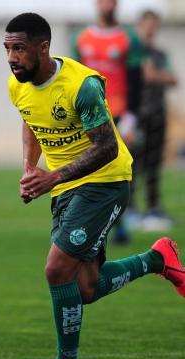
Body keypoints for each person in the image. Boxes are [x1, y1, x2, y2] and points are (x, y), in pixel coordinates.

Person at [4, 12, 185, 359]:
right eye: (7, 49)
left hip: (105, 181)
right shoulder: (17, 85)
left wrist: (51, 176)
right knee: (86, 288)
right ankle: (157, 259)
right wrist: (28, 167)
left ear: (43, 47)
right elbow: (30, 120)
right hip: (69, 187)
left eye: (18, 48)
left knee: (56, 269)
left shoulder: (81, 85)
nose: (11, 57)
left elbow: (105, 148)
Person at [71, 0, 145, 243]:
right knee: (89, 168)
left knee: (119, 169)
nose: (108, 4)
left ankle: (119, 222)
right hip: (91, 114)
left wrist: (131, 117)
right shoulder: (81, 38)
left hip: (119, 113)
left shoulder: (128, 39)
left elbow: (135, 80)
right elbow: (73, 79)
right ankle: (91, 224)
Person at [136, 10, 178, 231]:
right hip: (137, 116)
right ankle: (130, 210)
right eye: (148, 24)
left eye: (155, 24)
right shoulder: (132, 51)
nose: (151, 28)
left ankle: (153, 208)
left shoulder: (160, 54)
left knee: (154, 164)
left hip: (157, 113)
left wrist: (155, 75)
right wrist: (154, 75)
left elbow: (173, 79)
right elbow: (145, 76)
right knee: (132, 164)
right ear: (140, 25)